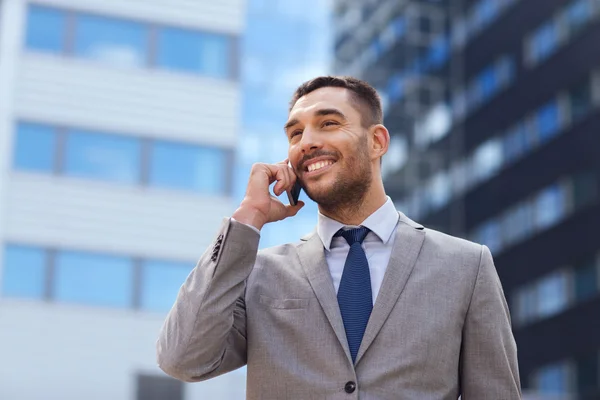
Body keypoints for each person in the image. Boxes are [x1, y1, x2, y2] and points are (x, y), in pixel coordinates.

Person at [156, 76, 521, 399]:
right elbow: (183, 359)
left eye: (328, 123)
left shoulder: (466, 266)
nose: (307, 142)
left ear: (377, 141)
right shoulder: (258, 273)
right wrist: (246, 220)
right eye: (295, 133)